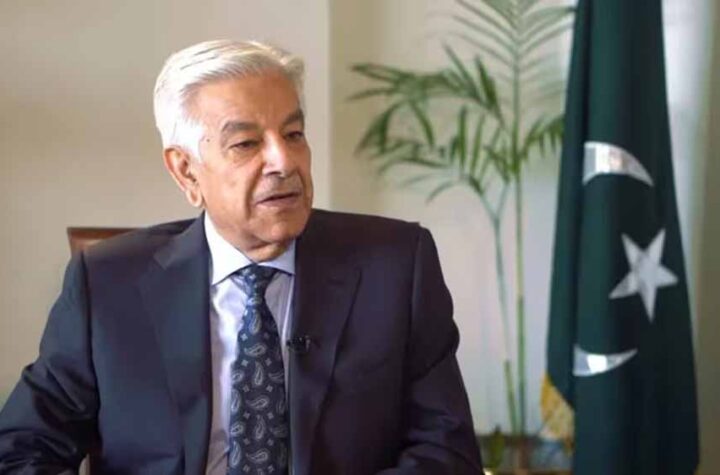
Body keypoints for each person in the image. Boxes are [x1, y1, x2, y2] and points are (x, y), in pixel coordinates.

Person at [0, 40, 483, 475]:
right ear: (186, 171)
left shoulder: (395, 266)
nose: (284, 162)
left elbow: (447, 453)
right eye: (247, 143)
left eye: (293, 134)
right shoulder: (108, 282)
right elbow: (22, 450)